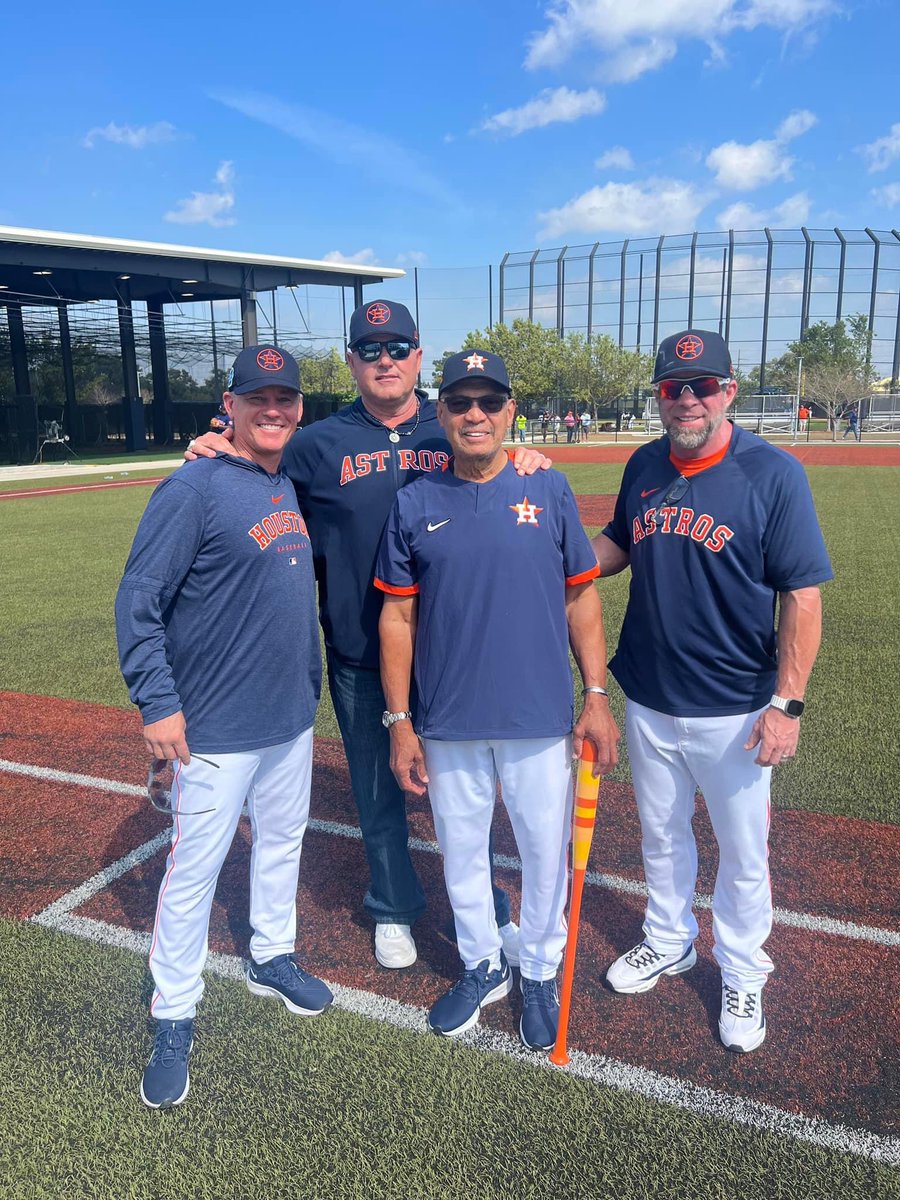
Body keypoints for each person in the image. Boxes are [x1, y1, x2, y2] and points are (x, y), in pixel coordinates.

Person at [185, 302, 549, 971]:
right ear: (351, 360)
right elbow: (249, 463)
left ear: (418, 354)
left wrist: (523, 450)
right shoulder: (316, 444)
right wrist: (215, 440)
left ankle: (489, 906)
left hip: (456, 656)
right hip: (359, 650)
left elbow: (500, 459)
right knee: (378, 791)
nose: (385, 359)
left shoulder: (452, 428)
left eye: (398, 347)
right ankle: (392, 905)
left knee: (468, 797)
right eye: (370, 349)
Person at [592, 329, 832, 1054]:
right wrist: (550, 556)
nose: (688, 399)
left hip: (735, 706)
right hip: (649, 695)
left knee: (742, 849)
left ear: (729, 390)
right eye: (673, 387)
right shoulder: (642, 463)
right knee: (660, 835)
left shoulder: (773, 473)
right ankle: (670, 939)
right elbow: (617, 546)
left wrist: (787, 704)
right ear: (660, 396)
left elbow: (803, 595)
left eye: (702, 385)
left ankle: (743, 968)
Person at [375, 349, 620, 1051]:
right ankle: (482, 964)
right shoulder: (413, 503)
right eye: (459, 402)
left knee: (544, 854)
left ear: (512, 410)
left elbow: (581, 597)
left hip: (538, 719)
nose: (474, 415)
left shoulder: (549, 489)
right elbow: (397, 618)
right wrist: (399, 722)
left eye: (489, 402)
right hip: (448, 721)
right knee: (460, 854)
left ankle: (538, 968)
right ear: (441, 412)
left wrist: (596, 694)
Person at [117, 345, 330, 1109]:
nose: (273, 410)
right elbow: (137, 597)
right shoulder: (193, 487)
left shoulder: (288, 481)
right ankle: (173, 1011)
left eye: (285, 398)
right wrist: (157, 701)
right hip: (212, 724)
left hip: (287, 718)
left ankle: (271, 952)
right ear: (229, 406)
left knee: (282, 840)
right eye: (257, 399)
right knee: (193, 871)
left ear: (299, 408)